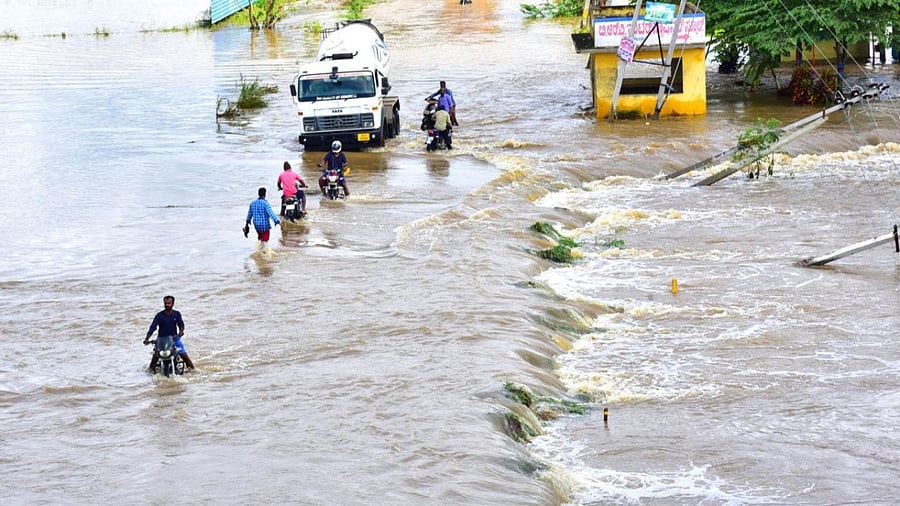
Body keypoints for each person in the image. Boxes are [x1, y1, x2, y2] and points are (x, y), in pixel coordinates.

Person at [143, 295, 195, 372]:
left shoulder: (176, 314)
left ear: (173, 304)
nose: (167, 305)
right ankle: (150, 371)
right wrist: (147, 338)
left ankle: (193, 370)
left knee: (184, 355)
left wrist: (181, 332)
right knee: (155, 357)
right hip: (161, 339)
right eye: (165, 303)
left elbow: (181, 325)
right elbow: (152, 327)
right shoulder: (159, 315)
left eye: (169, 303)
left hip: (174, 338)